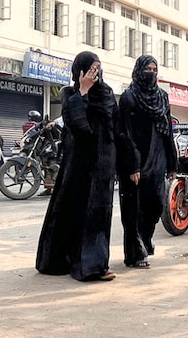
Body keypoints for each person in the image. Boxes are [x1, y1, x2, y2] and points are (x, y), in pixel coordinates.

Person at [36, 51, 124, 282]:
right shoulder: (70, 95)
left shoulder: (106, 94)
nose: (96, 73)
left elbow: (117, 131)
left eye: (98, 68)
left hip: (103, 164)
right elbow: (79, 127)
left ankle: (94, 266)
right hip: (77, 164)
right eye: (91, 69)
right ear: (80, 71)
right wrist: (83, 92)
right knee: (72, 213)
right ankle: (62, 259)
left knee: (97, 216)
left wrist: (128, 164)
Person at [118, 55, 177, 269]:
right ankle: (135, 253)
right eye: (148, 69)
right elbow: (124, 133)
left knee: (155, 204)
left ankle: (145, 240)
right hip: (136, 159)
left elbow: (168, 130)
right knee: (134, 208)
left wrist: (172, 164)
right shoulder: (128, 97)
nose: (151, 73)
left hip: (158, 157)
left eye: (155, 69)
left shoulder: (162, 96)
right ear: (139, 70)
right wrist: (131, 165)